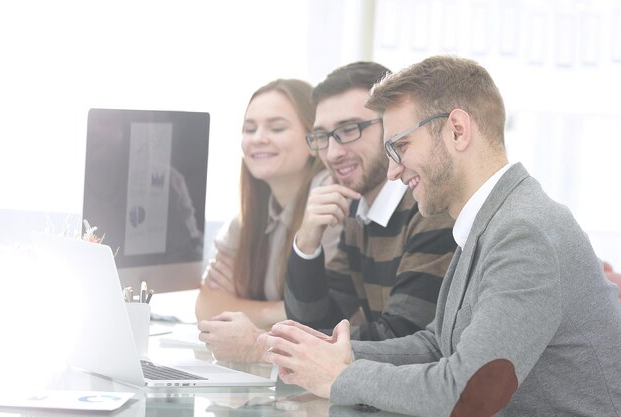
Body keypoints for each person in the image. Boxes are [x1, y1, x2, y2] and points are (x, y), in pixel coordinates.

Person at [260, 55, 621, 416]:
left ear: (457, 131)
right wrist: (339, 354)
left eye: (400, 147)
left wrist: (342, 375)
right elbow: (438, 345)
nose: (392, 172)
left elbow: (469, 394)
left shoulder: (524, 233)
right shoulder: (491, 221)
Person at [284, 61, 456, 341]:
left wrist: (270, 345)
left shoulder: (429, 208)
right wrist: (306, 243)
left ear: (391, 127)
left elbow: (400, 339)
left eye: (349, 129)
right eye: (322, 136)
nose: (332, 153)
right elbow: (314, 324)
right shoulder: (358, 210)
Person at [195, 79, 341, 362]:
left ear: (314, 141)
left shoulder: (328, 198)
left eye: (277, 128)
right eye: (250, 129)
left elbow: (326, 316)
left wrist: (244, 310)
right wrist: (280, 310)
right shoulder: (252, 216)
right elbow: (206, 306)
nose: (258, 137)